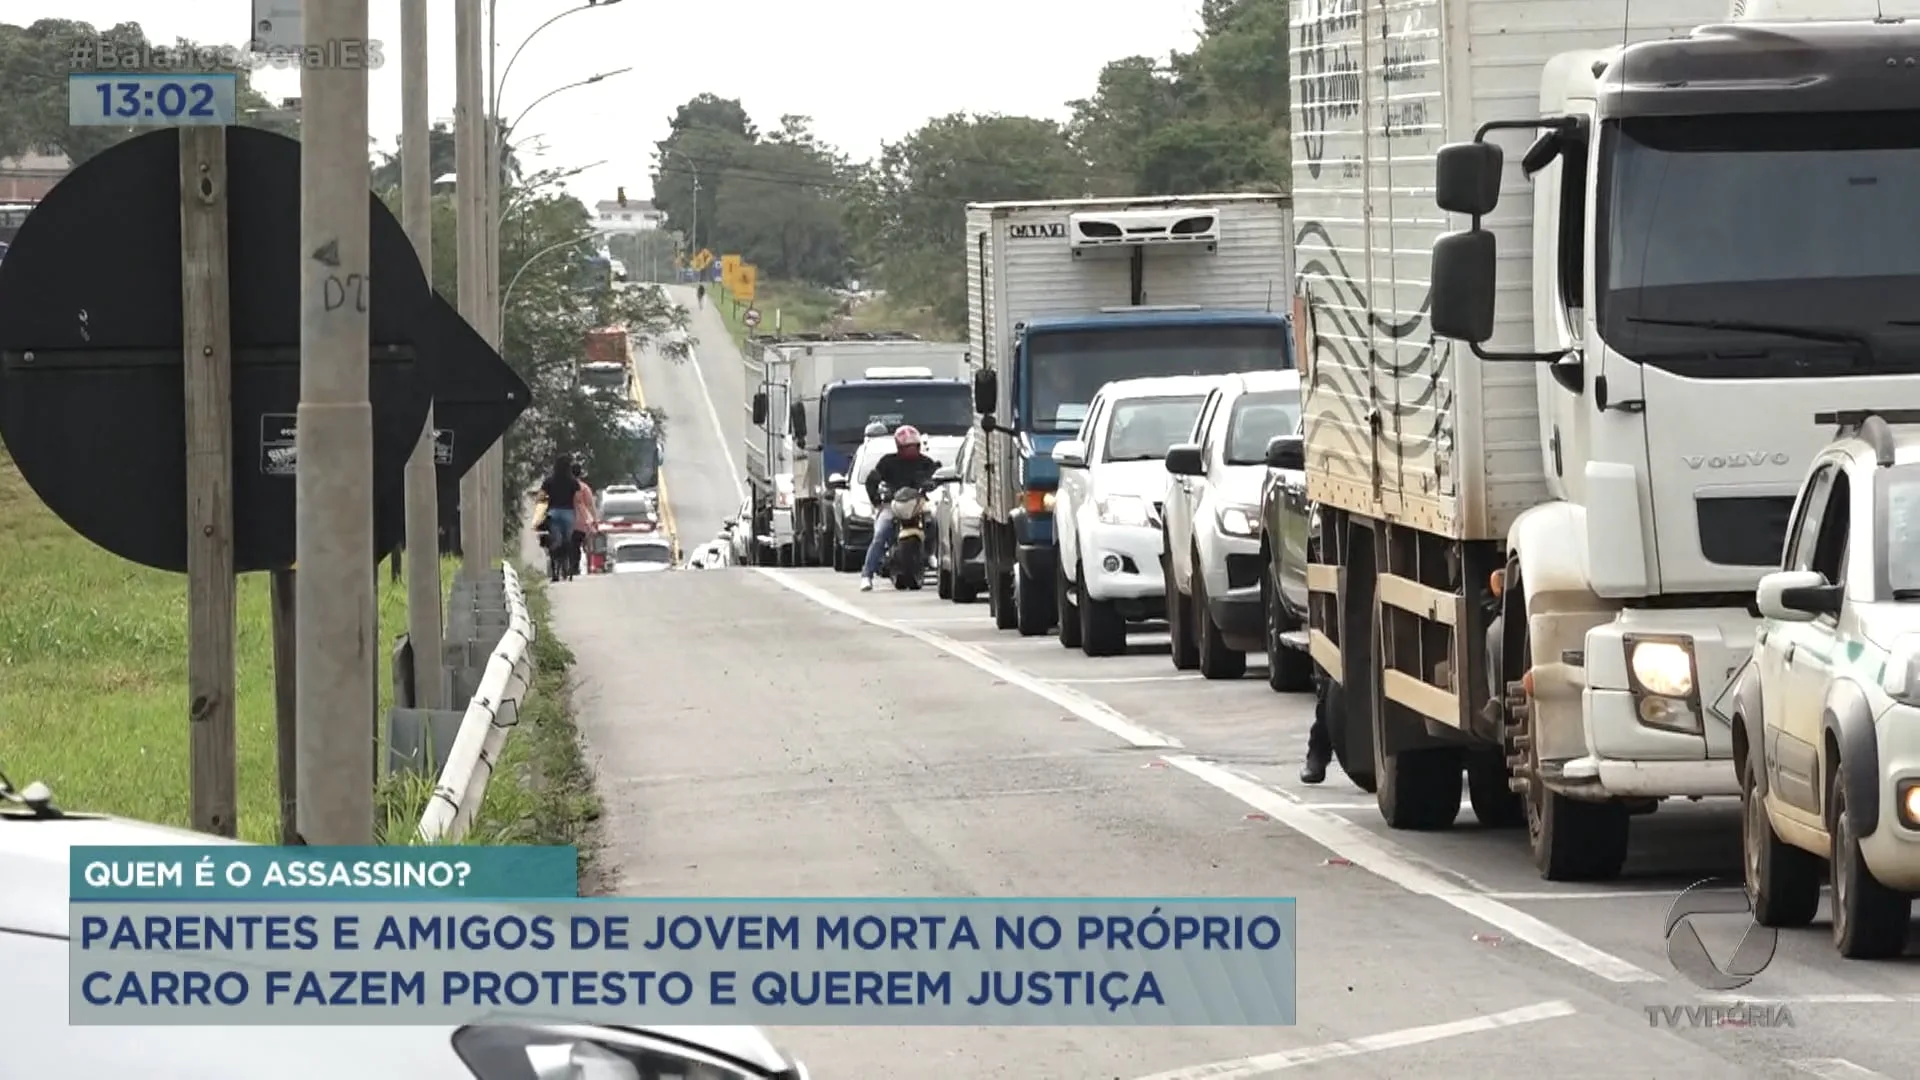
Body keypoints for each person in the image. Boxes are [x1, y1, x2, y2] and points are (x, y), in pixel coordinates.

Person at [860, 425, 940, 590]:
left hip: (918, 503)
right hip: (893, 504)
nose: (911, 450)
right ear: (899, 447)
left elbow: (936, 479)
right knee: (881, 533)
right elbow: (872, 480)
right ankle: (867, 575)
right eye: (907, 447)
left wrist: (931, 486)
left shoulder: (926, 463)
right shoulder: (888, 462)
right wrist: (877, 500)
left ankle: (931, 553)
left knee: (933, 521)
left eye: (914, 447)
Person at [539, 453, 582, 581]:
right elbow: (578, 500)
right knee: (568, 539)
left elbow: (542, 498)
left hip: (553, 513)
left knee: (555, 541)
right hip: (568, 513)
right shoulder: (572, 481)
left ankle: (555, 570)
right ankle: (568, 565)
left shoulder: (549, 481)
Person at [570, 460, 598, 576]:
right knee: (588, 548)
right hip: (583, 522)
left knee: (573, 547)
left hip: (570, 523)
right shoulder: (584, 488)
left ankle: (574, 568)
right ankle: (590, 568)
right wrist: (595, 521)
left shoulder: (566, 487)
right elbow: (590, 505)